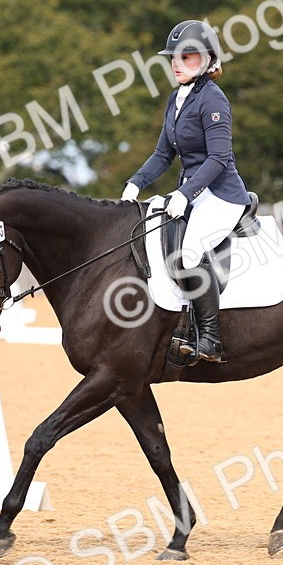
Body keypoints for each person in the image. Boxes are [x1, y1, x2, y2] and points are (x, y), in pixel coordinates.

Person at [120, 20, 251, 363]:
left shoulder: (213, 100)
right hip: (194, 191)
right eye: (173, 57)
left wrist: (186, 193)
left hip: (222, 195)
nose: (177, 63)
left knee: (186, 256)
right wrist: (136, 182)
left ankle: (209, 339)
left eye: (187, 56)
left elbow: (218, 158)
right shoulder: (175, 99)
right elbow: (164, 154)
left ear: (208, 59)